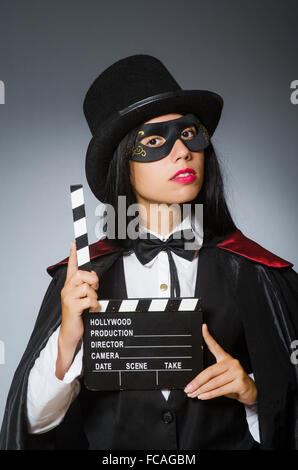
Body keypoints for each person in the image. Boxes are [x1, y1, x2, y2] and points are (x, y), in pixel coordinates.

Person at [0, 54, 297, 450]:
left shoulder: (257, 271)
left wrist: (254, 395)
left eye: (190, 133)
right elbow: (32, 426)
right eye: (155, 141)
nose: (182, 152)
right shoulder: (81, 279)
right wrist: (69, 337)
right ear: (123, 164)